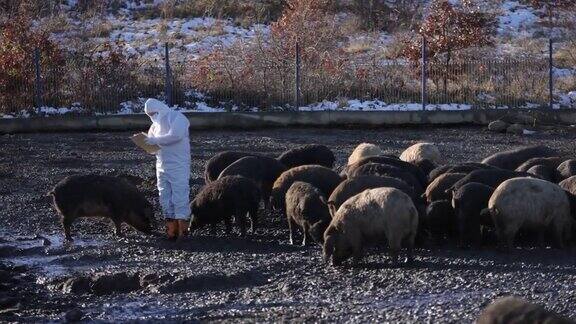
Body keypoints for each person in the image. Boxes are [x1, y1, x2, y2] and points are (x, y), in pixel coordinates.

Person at [144, 98, 191, 240]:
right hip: (161, 165)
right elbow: (152, 146)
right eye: (150, 114)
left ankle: (183, 229)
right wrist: (147, 145)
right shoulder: (154, 126)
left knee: (180, 195)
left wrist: (155, 141)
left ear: (160, 108)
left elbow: (175, 136)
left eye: (154, 113)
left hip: (178, 164)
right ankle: (171, 229)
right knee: (164, 196)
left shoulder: (177, 117)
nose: (153, 116)